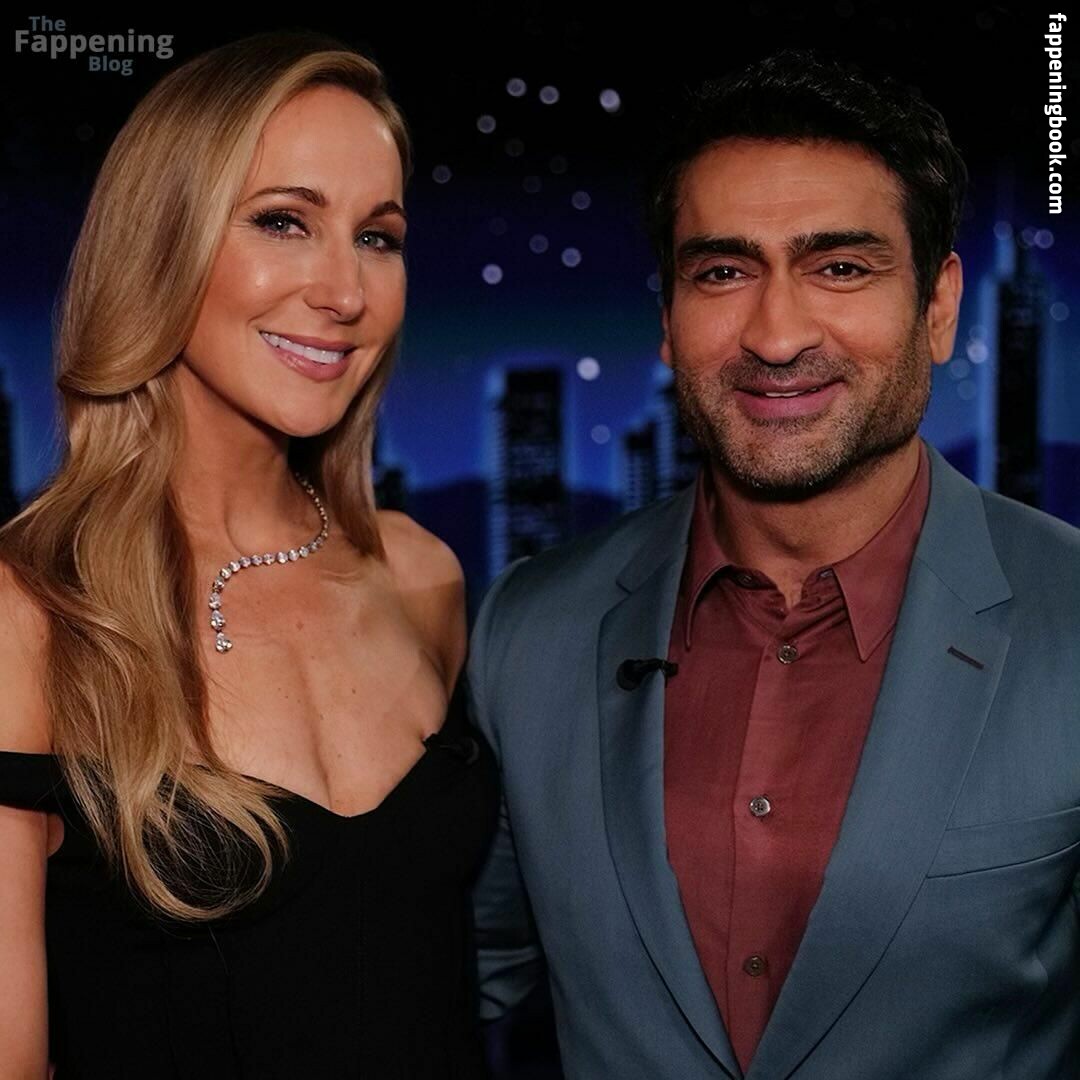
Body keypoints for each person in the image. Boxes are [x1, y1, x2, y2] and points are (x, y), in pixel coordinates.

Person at [468, 49, 1080, 1079]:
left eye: (840, 267)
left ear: (938, 308)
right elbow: (440, 985)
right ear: (668, 320)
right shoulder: (525, 631)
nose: (778, 333)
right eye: (722, 272)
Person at [0, 30, 497, 1078]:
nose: (346, 292)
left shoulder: (423, 578)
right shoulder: (32, 612)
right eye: (283, 221)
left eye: (379, 237)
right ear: (159, 244)